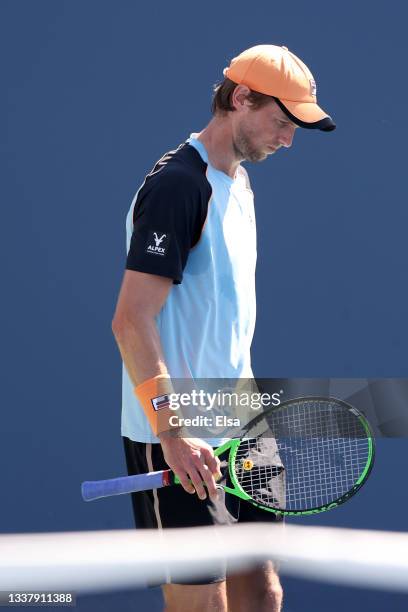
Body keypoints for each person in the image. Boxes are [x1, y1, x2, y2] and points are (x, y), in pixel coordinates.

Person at [112, 44, 335, 612]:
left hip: (240, 419)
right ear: (240, 99)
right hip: (177, 432)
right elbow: (131, 320)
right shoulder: (179, 187)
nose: (288, 140)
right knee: (203, 604)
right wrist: (172, 433)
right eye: (280, 122)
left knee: (262, 593)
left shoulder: (238, 182)